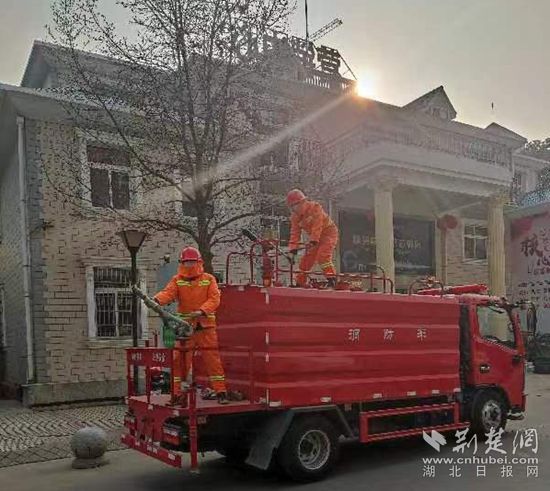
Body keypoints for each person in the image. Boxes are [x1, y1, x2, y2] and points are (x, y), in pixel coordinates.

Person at [154, 246, 228, 404]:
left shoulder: (209, 279)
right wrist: (157, 300)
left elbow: (214, 299)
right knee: (179, 362)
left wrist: (201, 311)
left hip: (205, 327)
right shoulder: (177, 280)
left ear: (199, 262)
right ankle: (176, 394)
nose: (189, 265)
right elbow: (168, 293)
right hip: (185, 329)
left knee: (213, 360)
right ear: (182, 263)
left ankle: (221, 392)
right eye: (187, 262)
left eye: (191, 262)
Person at [287, 189, 339, 288]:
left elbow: (317, 225)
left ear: (302, 202)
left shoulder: (315, 207)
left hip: (328, 233)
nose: (294, 209)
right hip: (314, 238)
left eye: (295, 205)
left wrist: (313, 240)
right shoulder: (295, 217)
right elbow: (295, 233)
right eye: (292, 206)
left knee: (323, 256)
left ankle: (332, 279)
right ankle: (299, 283)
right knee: (306, 259)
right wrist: (292, 250)